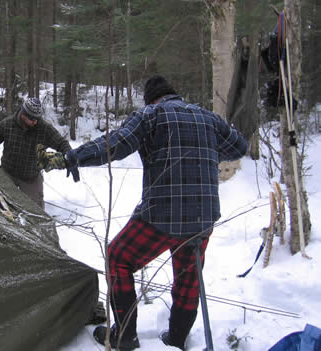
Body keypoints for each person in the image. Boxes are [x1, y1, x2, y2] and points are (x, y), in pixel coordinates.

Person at [64, 75, 248, 350]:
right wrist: (206, 148)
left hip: (160, 215)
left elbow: (117, 143)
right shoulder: (208, 118)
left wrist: (77, 156)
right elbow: (239, 146)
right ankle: (176, 339)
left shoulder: (152, 114)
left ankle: (125, 336)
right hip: (203, 216)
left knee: (118, 258)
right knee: (188, 279)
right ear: (174, 94)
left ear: (151, 98)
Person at [0, 98, 79, 210]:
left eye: (37, 118)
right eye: (32, 118)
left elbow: (61, 143)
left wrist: (70, 156)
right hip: (7, 173)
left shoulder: (44, 128)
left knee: (36, 212)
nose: (35, 122)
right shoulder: (7, 124)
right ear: (23, 114)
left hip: (31, 176)